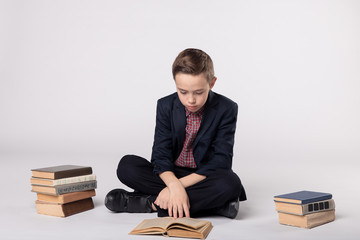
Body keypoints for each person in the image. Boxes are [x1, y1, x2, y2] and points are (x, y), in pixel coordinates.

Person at [105, 48, 246, 219]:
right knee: (127, 166)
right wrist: (174, 185)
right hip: (170, 174)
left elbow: (221, 161)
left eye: (199, 92)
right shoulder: (165, 105)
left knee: (230, 184)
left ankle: (150, 203)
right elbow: (160, 155)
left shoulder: (227, 108)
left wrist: (176, 187)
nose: (191, 100)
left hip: (202, 177)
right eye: (183, 92)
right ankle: (215, 207)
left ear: (212, 83)